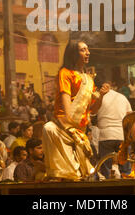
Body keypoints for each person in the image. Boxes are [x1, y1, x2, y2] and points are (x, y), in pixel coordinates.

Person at [42, 40, 110, 181]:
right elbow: (65, 98)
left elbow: (92, 109)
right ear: (74, 54)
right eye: (83, 50)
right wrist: (69, 125)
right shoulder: (65, 73)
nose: (88, 52)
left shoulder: (88, 79)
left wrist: (101, 96)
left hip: (81, 128)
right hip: (64, 124)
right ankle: (64, 173)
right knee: (48, 128)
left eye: (87, 49)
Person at [96, 76, 135, 179]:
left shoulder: (97, 98)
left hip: (105, 137)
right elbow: (131, 121)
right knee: (126, 172)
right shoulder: (122, 97)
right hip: (121, 137)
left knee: (107, 173)